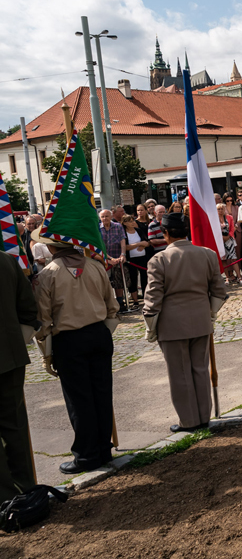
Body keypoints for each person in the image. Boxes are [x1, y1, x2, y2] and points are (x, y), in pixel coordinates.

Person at [34, 230, 119, 474]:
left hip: (69, 340)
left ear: (52, 248)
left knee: (79, 400)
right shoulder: (95, 266)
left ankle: (86, 455)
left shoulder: (47, 274)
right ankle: (103, 448)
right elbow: (112, 306)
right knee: (102, 393)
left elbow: (43, 319)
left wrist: (46, 355)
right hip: (99, 334)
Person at [144, 213, 228, 433]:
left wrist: (150, 328)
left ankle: (189, 421)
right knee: (200, 369)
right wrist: (210, 313)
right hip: (200, 320)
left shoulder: (159, 260)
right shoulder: (207, 255)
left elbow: (153, 299)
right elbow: (219, 291)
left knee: (180, 374)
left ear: (166, 234)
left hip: (172, 325)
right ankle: (203, 417)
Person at [0, 247, 39, 502]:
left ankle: (5, 500)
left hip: (10, 356)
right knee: (15, 425)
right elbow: (28, 309)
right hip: (10, 356)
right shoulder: (5, 260)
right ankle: (27, 490)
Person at [99, 209, 130, 307]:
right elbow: (98, 246)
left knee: (119, 281)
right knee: (105, 282)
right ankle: (108, 304)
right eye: (103, 217)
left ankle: (120, 302)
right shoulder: (97, 229)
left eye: (107, 216)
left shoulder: (118, 226)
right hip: (103, 260)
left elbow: (122, 240)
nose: (105, 218)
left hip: (117, 258)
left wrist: (123, 254)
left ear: (111, 216)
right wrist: (108, 259)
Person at [122, 215, 149, 304]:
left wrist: (143, 245)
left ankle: (146, 297)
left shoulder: (138, 231)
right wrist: (139, 244)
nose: (133, 222)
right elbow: (125, 247)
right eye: (130, 221)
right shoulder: (124, 233)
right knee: (133, 279)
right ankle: (135, 300)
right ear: (125, 223)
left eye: (133, 220)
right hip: (131, 260)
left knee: (144, 277)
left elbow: (147, 242)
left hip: (142, 258)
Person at [218, 203, 242, 285]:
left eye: (222, 209)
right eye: (219, 209)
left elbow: (232, 228)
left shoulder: (229, 217)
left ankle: (239, 277)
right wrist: (221, 237)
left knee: (233, 258)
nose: (220, 211)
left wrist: (228, 236)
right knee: (223, 260)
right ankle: (227, 278)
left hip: (229, 240)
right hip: (220, 240)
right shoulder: (214, 219)